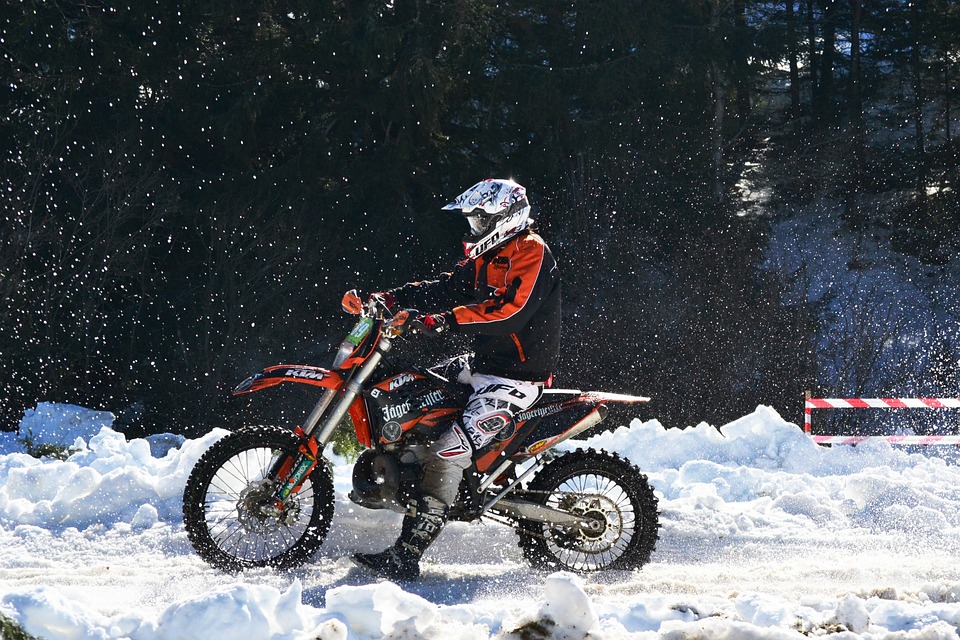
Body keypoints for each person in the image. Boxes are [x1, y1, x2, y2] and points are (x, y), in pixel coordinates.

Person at [349, 178, 562, 581]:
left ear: (504, 217)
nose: (473, 228)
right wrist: (393, 299)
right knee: (412, 393)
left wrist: (443, 321)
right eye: (472, 220)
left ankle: (407, 554)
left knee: (448, 449)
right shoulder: (492, 254)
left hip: (515, 377)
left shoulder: (531, 253)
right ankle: (407, 472)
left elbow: (509, 313)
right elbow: (448, 286)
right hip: (481, 364)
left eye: (479, 219)